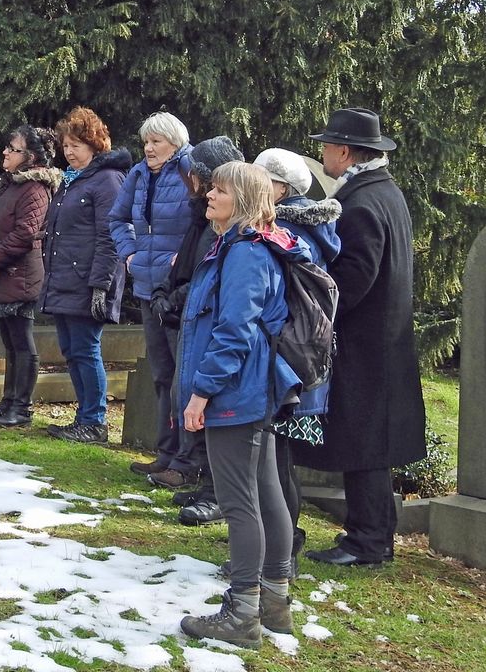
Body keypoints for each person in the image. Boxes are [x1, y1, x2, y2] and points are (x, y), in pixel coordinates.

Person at [177, 161, 303, 648]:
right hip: (254, 390)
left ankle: (243, 613)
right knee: (266, 491)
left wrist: (202, 392)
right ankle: (275, 602)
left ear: (245, 201)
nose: (210, 195)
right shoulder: (249, 245)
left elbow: (233, 332)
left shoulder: (246, 254)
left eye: (221, 191)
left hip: (236, 393)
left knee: (239, 503)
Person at [297, 107, 426, 567]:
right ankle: (369, 538)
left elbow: (354, 277)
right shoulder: (383, 192)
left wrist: (318, 309)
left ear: (345, 152)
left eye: (327, 146)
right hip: (381, 340)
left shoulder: (361, 202)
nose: (323, 153)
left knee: (366, 445)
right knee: (369, 441)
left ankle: (368, 543)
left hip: (366, 342)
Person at [143, 136, 245, 526]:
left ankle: (214, 491)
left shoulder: (237, 235)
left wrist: (178, 295)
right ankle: (202, 479)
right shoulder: (200, 214)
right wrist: (166, 289)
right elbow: (190, 260)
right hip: (186, 311)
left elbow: (213, 275)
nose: (195, 184)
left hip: (204, 320)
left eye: (208, 181)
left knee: (210, 407)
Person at [253, 147, 341, 574]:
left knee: (278, 457)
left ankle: (283, 544)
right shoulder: (307, 225)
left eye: (261, 178)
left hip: (288, 359)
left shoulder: (287, 230)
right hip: (301, 360)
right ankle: (282, 536)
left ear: (281, 188)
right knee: (278, 456)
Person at [109, 112, 196, 487]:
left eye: (156, 141)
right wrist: (129, 254)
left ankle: (186, 461)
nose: (148, 148)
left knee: (184, 376)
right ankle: (165, 453)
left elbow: (205, 220)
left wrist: (186, 258)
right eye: (146, 141)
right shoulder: (139, 174)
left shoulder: (190, 168)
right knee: (162, 374)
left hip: (180, 291)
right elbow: (116, 219)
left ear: (175, 144)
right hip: (146, 286)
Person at [36, 106, 131, 440]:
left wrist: (100, 287)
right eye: (66, 145)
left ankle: (95, 421)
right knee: (72, 351)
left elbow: (110, 236)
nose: (69, 151)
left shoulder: (107, 180)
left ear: (95, 143)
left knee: (86, 350)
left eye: (76, 144)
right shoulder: (73, 181)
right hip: (64, 280)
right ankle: (85, 418)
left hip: (88, 282)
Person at [0, 126, 61, 423]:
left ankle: (21, 408)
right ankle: (8, 401)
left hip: (20, 274)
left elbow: (26, 233)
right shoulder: (12, 185)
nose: (5, 152)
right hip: (5, 272)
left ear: (31, 157)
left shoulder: (34, 189)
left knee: (22, 342)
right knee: (10, 340)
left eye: (12, 148)